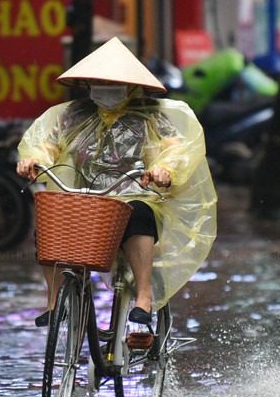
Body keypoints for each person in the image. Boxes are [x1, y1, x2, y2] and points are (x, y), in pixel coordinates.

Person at [16, 37, 217, 327]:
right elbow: (48, 145)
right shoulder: (73, 114)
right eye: (100, 82)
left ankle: (144, 295)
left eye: (113, 83)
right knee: (51, 219)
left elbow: (174, 149)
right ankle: (55, 300)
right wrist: (33, 161)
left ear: (130, 85)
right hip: (84, 197)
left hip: (138, 196)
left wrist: (164, 169)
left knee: (139, 213)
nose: (105, 88)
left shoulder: (151, 116)